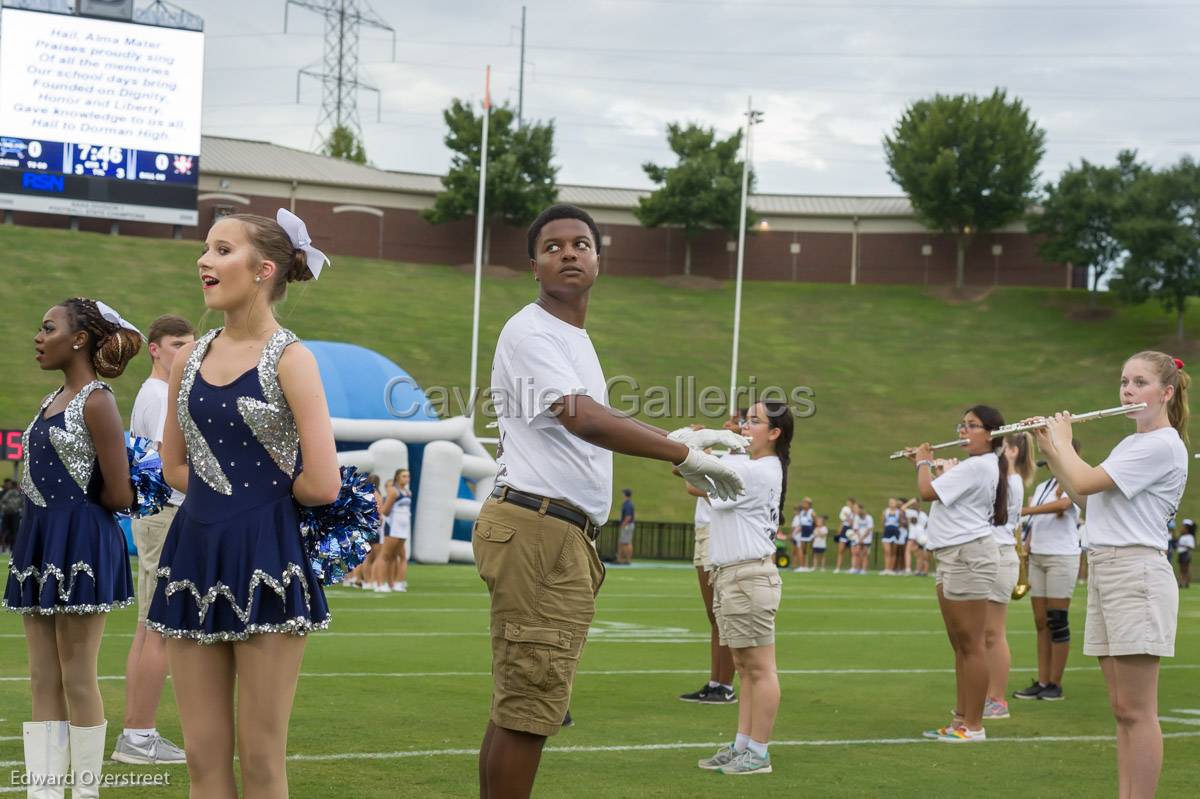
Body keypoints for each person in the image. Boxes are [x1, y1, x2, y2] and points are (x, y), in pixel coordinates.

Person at [473, 204, 744, 799]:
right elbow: (583, 419)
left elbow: (594, 417)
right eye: (553, 246)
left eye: (581, 244)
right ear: (533, 266)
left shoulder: (571, 336)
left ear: (599, 258)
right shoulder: (531, 329)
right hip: (539, 525)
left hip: (550, 527)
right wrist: (682, 458)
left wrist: (680, 438)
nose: (569, 253)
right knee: (529, 708)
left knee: (522, 703)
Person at [146, 210, 342, 797]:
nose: (204, 261)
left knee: (261, 758)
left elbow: (324, 483)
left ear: (263, 270)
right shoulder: (188, 357)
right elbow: (172, 465)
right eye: (206, 249)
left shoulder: (291, 359)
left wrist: (261, 497)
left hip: (267, 561)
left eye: (221, 250)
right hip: (193, 554)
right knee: (203, 757)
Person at [1034, 352, 1187, 798]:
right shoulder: (1131, 444)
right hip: (1108, 568)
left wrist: (1064, 442)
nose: (1127, 391)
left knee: (1138, 711)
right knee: (1122, 709)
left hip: (1135, 571)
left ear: (1166, 392)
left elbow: (1082, 483)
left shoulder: (1161, 443)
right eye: (1124, 382)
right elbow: (1089, 500)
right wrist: (1050, 449)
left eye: (1139, 382)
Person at [5, 297, 141, 798]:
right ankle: (43, 791)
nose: (39, 337)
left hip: (80, 541)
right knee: (41, 676)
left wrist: (84, 506)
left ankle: (84, 792)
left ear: (79, 338)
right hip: (40, 540)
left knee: (77, 674)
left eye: (48, 328)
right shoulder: (49, 399)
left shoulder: (98, 400)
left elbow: (120, 493)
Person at [695, 400, 791, 776]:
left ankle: (759, 753)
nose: (745, 426)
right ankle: (743, 746)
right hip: (734, 575)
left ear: (775, 432)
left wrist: (704, 442)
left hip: (748, 576)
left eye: (754, 421)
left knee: (760, 669)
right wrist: (710, 442)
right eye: (744, 420)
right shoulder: (752, 465)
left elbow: (691, 479)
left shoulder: (758, 470)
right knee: (745, 667)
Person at [113, 315, 194, 766]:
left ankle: (139, 733)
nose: (186, 351)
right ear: (154, 348)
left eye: (190, 344)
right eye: (178, 343)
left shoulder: (157, 392)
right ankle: (138, 736)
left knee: (152, 627)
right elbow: (169, 461)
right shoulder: (162, 394)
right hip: (166, 513)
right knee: (156, 628)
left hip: (157, 513)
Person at [908, 405, 1007, 743]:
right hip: (953, 554)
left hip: (968, 556)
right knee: (961, 645)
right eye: (961, 425)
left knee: (972, 644)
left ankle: (974, 726)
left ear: (990, 434)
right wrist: (923, 465)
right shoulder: (974, 465)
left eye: (971, 426)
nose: (962, 432)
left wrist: (923, 461)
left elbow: (925, 492)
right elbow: (937, 492)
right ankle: (961, 718)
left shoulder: (979, 465)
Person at [983, 432, 1034, 721]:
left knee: (993, 633)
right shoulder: (1002, 479)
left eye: (1001, 447)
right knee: (982, 634)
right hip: (992, 555)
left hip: (999, 556)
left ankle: (997, 699)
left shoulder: (1010, 482)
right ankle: (984, 695)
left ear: (1013, 452)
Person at [378, 468, 412, 592]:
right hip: (393, 527)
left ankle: (392, 583)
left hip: (403, 528)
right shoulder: (393, 491)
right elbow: (385, 511)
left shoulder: (408, 492)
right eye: (404, 476)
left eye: (408, 476)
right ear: (397, 477)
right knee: (385, 555)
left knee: (394, 556)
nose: (407, 478)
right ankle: (381, 584)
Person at [881, 498, 903, 574]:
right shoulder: (885, 511)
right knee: (887, 551)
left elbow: (900, 522)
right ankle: (886, 569)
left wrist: (896, 529)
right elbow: (883, 522)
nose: (891, 504)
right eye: (890, 503)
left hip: (895, 531)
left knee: (893, 552)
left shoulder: (898, 512)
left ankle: (891, 569)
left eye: (893, 503)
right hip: (887, 530)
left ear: (896, 504)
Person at [1, 478, 22, 553]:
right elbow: (2, 502)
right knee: (5, 531)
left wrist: (21, 511)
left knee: (15, 531)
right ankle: (4, 547)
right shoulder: (5, 492)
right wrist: (4, 509)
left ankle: (13, 547)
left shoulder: (19, 493)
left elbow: (22, 504)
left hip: (15, 514)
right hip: (7, 513)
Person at [834, 497, 855, 573]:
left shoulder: (855, 512)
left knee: (852, 551)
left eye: (849, 503)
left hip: (852, 530)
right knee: (841, 550)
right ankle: (837, 568)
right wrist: (839, 531)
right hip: (845, 529)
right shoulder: (845, 510)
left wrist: (848, 516)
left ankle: (853, 567)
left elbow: (852, 523)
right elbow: (843, 522)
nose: (848, 505)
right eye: (847, 503)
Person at [617, 488, 635, 565]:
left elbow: (628, 517)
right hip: (628, 525)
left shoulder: (628, 504)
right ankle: (622, 559)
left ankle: (627, 559)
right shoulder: (628, 503)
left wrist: (623, 524)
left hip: (627, 525)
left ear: (625, 494)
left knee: (626, 543)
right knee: (624, 542)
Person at [1179, 519, 1195, 588]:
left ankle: (1185, 582)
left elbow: (1191, 546)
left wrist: (1181, 545)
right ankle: (1182, 582)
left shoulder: (1190, 537)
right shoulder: (1182, 536)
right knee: (1181, 569)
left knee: (1185, 569)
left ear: (1187, 528)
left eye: (1183, 527)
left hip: (1185, 554)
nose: (1181, 528)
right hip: (1181, 554)